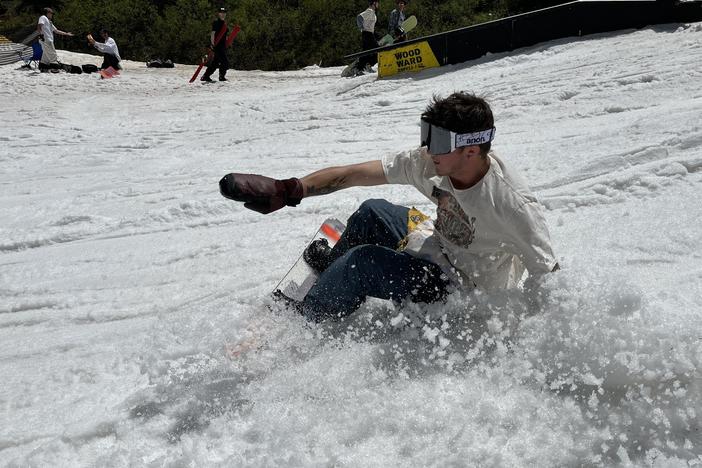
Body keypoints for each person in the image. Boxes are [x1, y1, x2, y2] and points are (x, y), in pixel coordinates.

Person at [219, 92, 559, 323]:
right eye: (427, 134)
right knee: (372, 210)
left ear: (471, 150)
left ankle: (305, 318)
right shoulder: (433, 162)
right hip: (442, 247)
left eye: (437, 140)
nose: (427, 147)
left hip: (463, 290)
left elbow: (549, 278)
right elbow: (355, 174)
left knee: (363, 263)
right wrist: (292, 189)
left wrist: (522, 336)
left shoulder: (511, 204)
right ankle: (331, 271)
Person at [201, 7, 229, 83]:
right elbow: (213, 34)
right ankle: (221, 77)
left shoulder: (224, 23)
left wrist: (227, 43)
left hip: (222, 46)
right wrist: (213, 45)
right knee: (225, 62)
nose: (223, 14)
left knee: (215, 63)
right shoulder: (216, 22)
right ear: (218, 13)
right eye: (221, 13)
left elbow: (225, 36)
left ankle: (205, 76)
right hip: (217, 46)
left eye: (224, 13)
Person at [356, 0, 380, 73]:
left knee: (366, 52)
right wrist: (362, 28)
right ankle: (366, 66)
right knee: (378, 50)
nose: (378, 4)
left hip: (369, 34)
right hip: (367, 34)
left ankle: (361, 68)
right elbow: (359, 17)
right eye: (377, 3)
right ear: (374, 3)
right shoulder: (369, 11)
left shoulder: (373, 12)